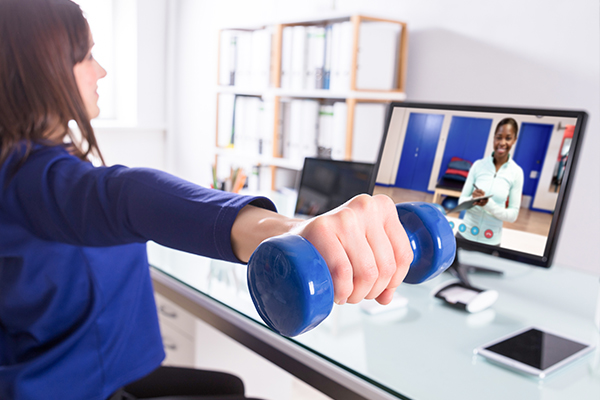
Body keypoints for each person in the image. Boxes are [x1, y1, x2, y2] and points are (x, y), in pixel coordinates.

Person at [0, 1, 414, 399]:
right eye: (87, 56)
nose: (101, 71)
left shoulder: (28, 160)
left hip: (86, 372)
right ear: (44, 69)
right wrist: (289, 231)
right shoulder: (31, 178)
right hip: (68, 386)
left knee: (230, 386)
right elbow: (128, 197)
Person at [456, 118, 524, 246]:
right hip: (464, 234)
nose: (502, 143)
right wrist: (472, 199)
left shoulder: (516, 172)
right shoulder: (478, 165)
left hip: (491, 240)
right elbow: (461, 201)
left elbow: (513, 215)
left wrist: (488, 204)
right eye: (499, 137)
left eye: (508, 138)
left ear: (514, 140)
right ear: (494, 138)